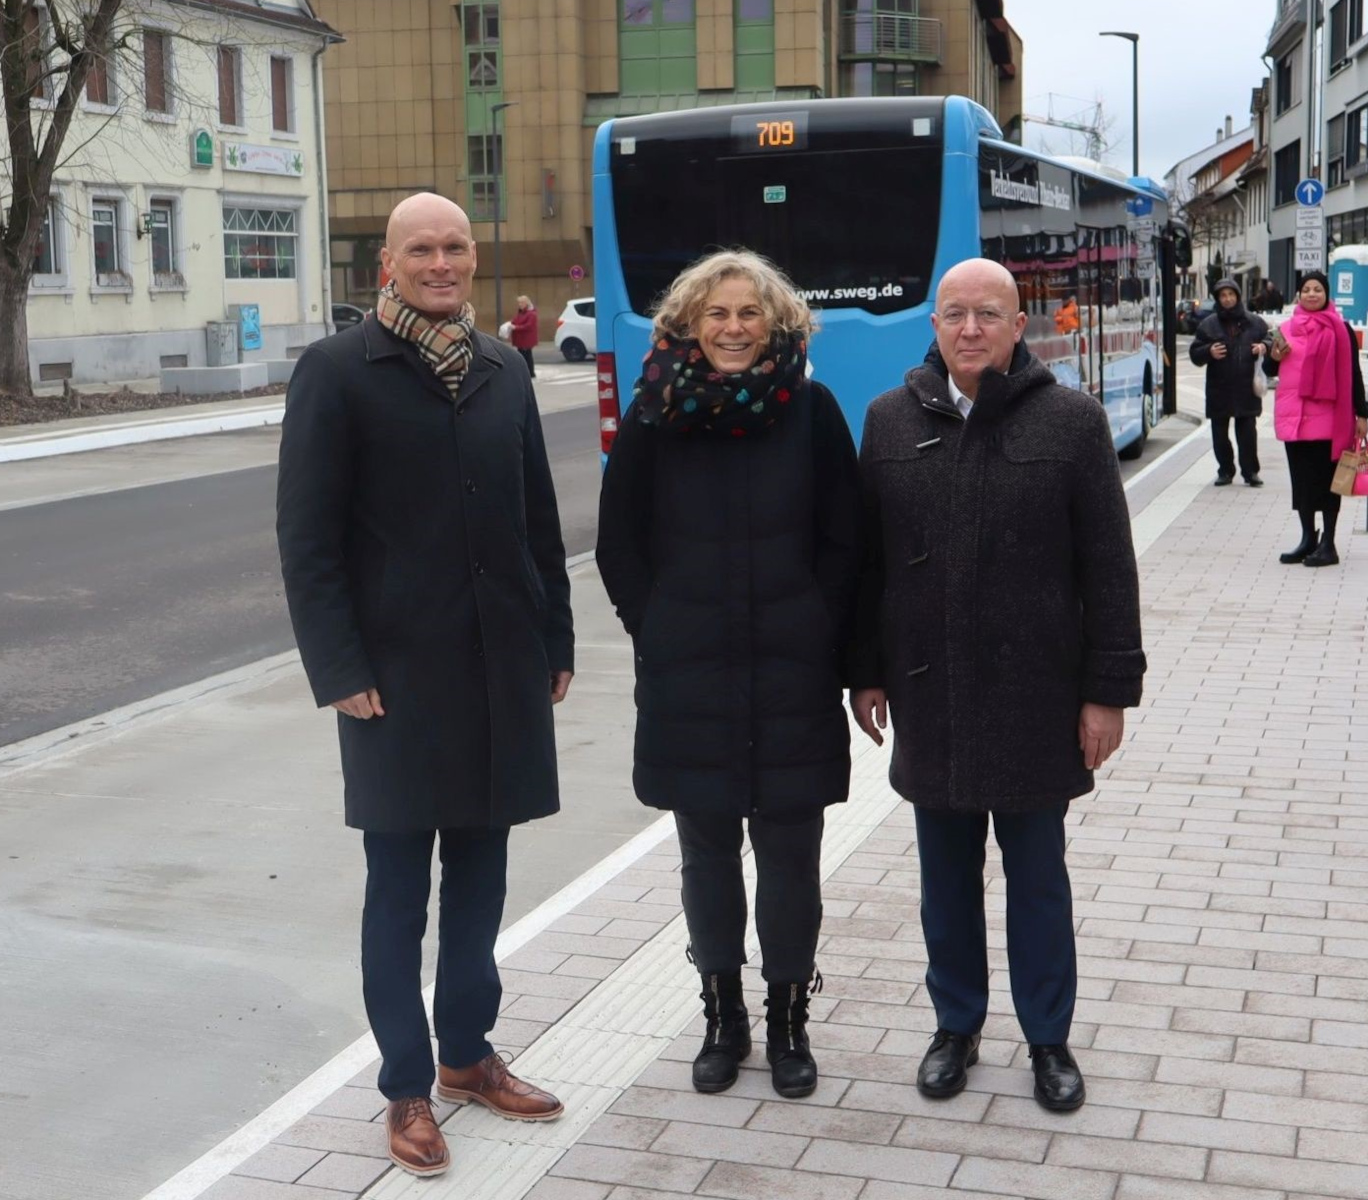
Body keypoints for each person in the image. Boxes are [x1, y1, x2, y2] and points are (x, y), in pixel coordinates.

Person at [276, 193, 574, 1178]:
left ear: (473, 258)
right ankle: (406, 1088)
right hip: (393, 679)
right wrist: (339, 669)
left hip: (498, 665)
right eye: (421, 250)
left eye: (454, 248)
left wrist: (555, 638)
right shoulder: (336, 373)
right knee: (398, 891)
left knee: (481, 881)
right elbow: (307, 540)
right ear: (387, 267)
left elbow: (537, 517)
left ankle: (467, 1057)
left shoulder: (503, 369)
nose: (440, 263)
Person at [849, 259, 1145, 1114]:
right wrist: (865, 671)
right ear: (932, 326)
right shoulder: (889, 421)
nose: (970, 328)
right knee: (944, 878)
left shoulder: (1073, 422)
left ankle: (1048, 1038)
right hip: (929, 695)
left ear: (1021, 327)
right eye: (954, 314)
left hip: (1038, 698)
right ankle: (956, 1026)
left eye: (989, 314)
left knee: (1038, 876)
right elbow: (867, 567)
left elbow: (1109, 572)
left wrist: (1108, 692)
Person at [595, 249, 861, 1100]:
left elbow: (845, 538)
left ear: (776, 323)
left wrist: (820, 626)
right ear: (689, 325)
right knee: (706, 856)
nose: (735, 328)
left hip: (792, 671)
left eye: (750, 313)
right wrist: (659, 624)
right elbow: (618, 544)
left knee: (791, 857)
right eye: (718, 314)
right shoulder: (653, 416)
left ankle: (789, 1022)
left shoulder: (812, 411)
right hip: (690, 675)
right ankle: (723, 1017)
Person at [1264, 271, 1368, 568]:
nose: (1312, 294)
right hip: (1294, 416)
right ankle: (1308, 538)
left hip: (1328, 417)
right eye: (1307, 289)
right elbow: (1270, 368)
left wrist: (1362, 412)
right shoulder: (1284, 328)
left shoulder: (1341, 329)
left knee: (1326, 482)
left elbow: (1354, 373)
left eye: (1318, 290)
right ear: (1299, 295)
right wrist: (1274, 354)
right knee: (1301, 482)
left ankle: (1329, 544)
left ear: (1326, 295)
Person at [1189, 277, 1270, 487]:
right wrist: (1209, 351)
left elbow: (1270, 339)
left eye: (1231, 295)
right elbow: (1195, 353)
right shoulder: (1208, 325)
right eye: (1223, 296)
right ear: (1217, 299)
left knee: (1248, 434)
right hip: (1219, 388)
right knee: (1219, 434)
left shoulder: (1254, 322)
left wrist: (1264, 347)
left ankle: (1250, 472)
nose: (1227, 299)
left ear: (1237, 296)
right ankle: (1225, 470)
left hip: (1246, 387)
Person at [510, 294, 539, 377]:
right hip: (521, 339)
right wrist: (510, 324)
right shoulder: (521, 312)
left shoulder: (531, 314)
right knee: (523, 356)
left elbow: (529, 326)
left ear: (526, 303)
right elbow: (516, 320)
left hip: (526, 339)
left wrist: (515, 327)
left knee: (526, 356)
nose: (520, 304)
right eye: (519, 303)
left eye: (521, 303)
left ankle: (530, 373)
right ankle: (528, 372)